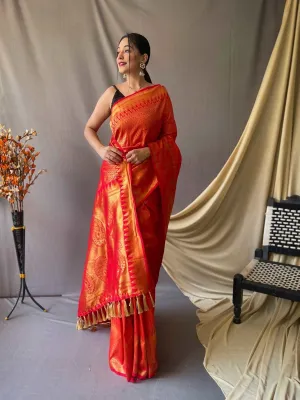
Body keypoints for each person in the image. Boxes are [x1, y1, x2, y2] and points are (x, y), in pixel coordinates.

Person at [77, 32, 182, 382]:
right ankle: (128, 351)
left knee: (143, 265)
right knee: (122, 265)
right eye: (119, 51)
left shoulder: (159, 96)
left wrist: (149, 151)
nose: (121, 56)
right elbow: (90, 129)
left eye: (128, 50)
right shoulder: (112, 94)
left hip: (146, 189)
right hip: (114, 189)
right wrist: (101, 150)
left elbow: (170, 140)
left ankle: (143, 344)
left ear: (144, 57)